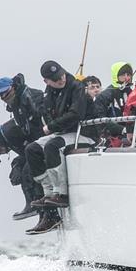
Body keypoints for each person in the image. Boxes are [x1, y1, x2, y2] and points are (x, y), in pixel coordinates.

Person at [25, 60, 94, 234]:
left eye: (61, 75)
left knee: (52, 146)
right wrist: (51, 125)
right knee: (31, 149)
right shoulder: (49, 93)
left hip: (82, 133)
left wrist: (51, 127)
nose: (61, 79)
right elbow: (47, 113)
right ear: (47, 82)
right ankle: (48, 193)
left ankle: (60, 193)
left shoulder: (76, 86)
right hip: (62, 133)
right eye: (55, 79)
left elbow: (76, 114)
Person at [0, 75, 46, 220]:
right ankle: (39, 208)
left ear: (13, 87)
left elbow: (38, 122)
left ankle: (37, 206)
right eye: (0, 95)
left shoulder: (29, 96)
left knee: (28, 169)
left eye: (5, 92)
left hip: (46, 137)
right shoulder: (15, 106)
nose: (3, 97)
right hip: (37, 142)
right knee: (21, 164)